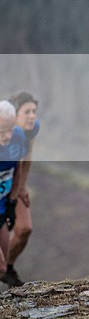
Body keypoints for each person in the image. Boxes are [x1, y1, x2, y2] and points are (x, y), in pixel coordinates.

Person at [2, 92, 40, 287]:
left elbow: (27, 156)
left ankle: (7, 267)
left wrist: (22, 186)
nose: (32, 116)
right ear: (14, 116)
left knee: (25, 229)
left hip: (13, 185)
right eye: (27, 112)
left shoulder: (30, 131)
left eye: (34, 111)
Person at [0, 100, 26, 285]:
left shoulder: (17, 137)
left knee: (4, 266)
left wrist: (12, 202)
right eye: (2, 131)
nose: (8, 136)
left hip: (1, 208)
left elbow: (18, 168)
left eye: (11, 129)